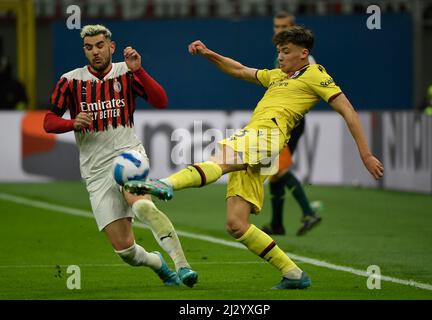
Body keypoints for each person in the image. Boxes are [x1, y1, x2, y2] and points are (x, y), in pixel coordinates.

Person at [125, 26, 384, 289]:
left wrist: (365, 153)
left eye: (286, 51)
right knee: (236, 224)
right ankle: (294, 274)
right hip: (260, 142)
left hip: (267, 136)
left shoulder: (316, 74)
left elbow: (348, 111)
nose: (280, 57)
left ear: (304, 53)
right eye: (279, 52)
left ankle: (166, 184)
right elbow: (238, 69)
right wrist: (207, 53)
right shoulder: (277, 76)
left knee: (221, 158)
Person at [43, 24, 198, 288]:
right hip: (95, 169)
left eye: (100, 46)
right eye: (89, 48)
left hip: (129, 153)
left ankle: (183, 266)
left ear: (111, 47)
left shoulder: (127, 72)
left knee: (142, 205)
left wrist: (140, 70)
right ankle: (157, 263)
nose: (95, 52)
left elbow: (160, 101)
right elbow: (48, 122)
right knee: (126, 251)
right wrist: (72, 123)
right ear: (85, 50)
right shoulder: (70, 81)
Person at [262, 11, 322, 236]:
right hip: (280, 122)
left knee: (278, 168)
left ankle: (308, 212)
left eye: (284, 27)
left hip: (291, 123)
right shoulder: (280, 54)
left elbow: (312, 91)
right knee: (275, 171)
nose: (279, 31)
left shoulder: (305, 61)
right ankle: (277, 223)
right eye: (276, 27)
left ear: (293, 27)